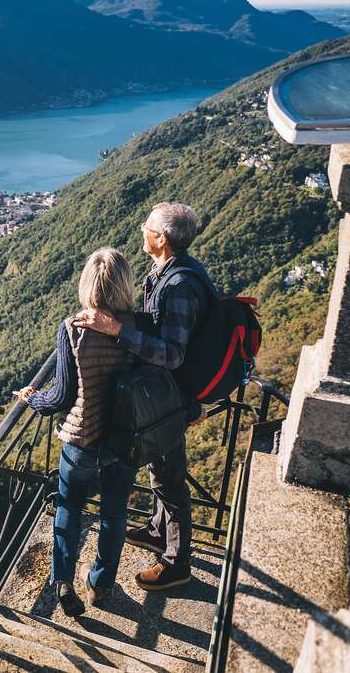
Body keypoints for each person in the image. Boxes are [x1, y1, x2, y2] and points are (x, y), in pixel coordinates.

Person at [74, 202, 215, 592]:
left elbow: (172, 354)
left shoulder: (180, 285)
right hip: (164, 397)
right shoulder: (169, 273)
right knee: (160, 471)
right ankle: (157, 531)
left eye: (146, 227)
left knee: (170, 481)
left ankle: (175, 562)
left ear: (161, 239)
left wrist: (117, 329)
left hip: (171, 399)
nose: (141, 230)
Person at [13, 247, 136, 616]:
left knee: (68, 507)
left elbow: (61, 396)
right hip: (125, 438)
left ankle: (63, 581)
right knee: (114, 514)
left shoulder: (73, 329)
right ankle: (100, 585)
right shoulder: (139, 327)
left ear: (86, 284)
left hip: (82, 439)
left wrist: (32, 397)